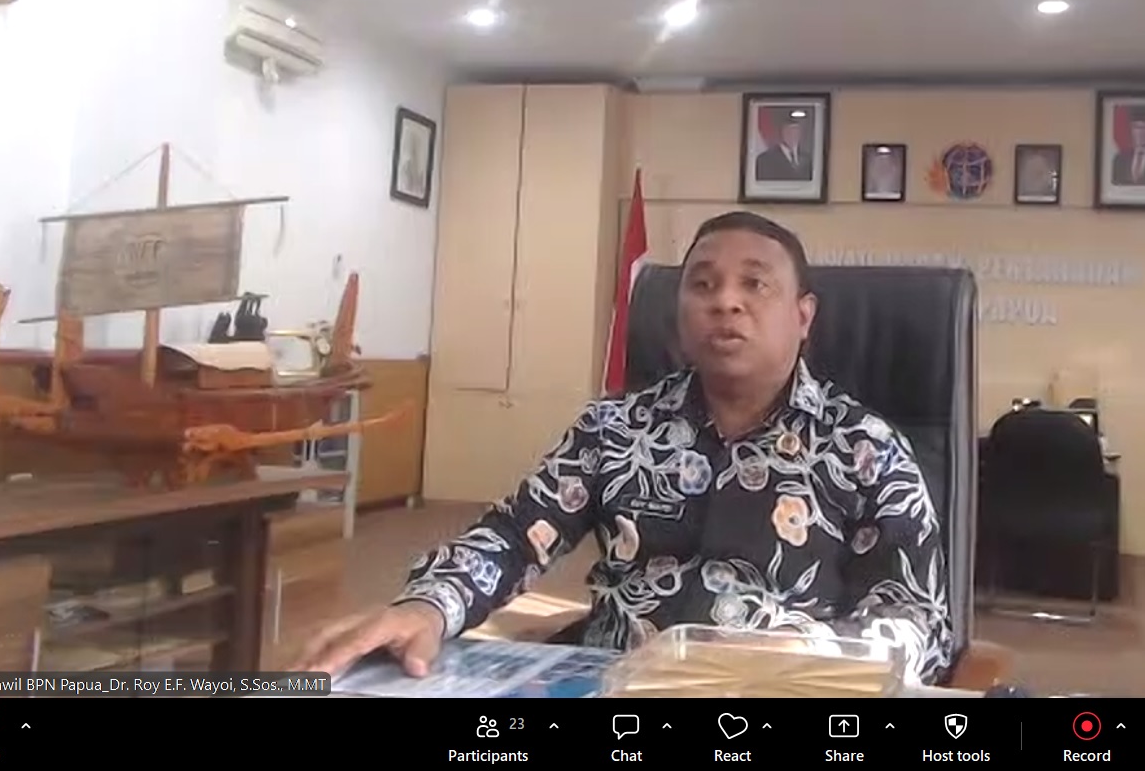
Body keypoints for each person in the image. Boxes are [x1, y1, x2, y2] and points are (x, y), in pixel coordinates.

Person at [294, 211, 955, 686]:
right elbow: (517, 536)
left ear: (803, 317)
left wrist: (810, 654)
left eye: (755, 284)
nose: (725, 302)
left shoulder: (866, 449)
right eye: (702, 284)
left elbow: (917, 619)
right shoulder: (615, 427)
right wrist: (428, 604)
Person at [753, 115, 816, 181]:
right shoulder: (765, 159)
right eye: (789, 131)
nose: (793, 135)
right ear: (781, 133)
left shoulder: (807, 159)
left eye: (796, 131)